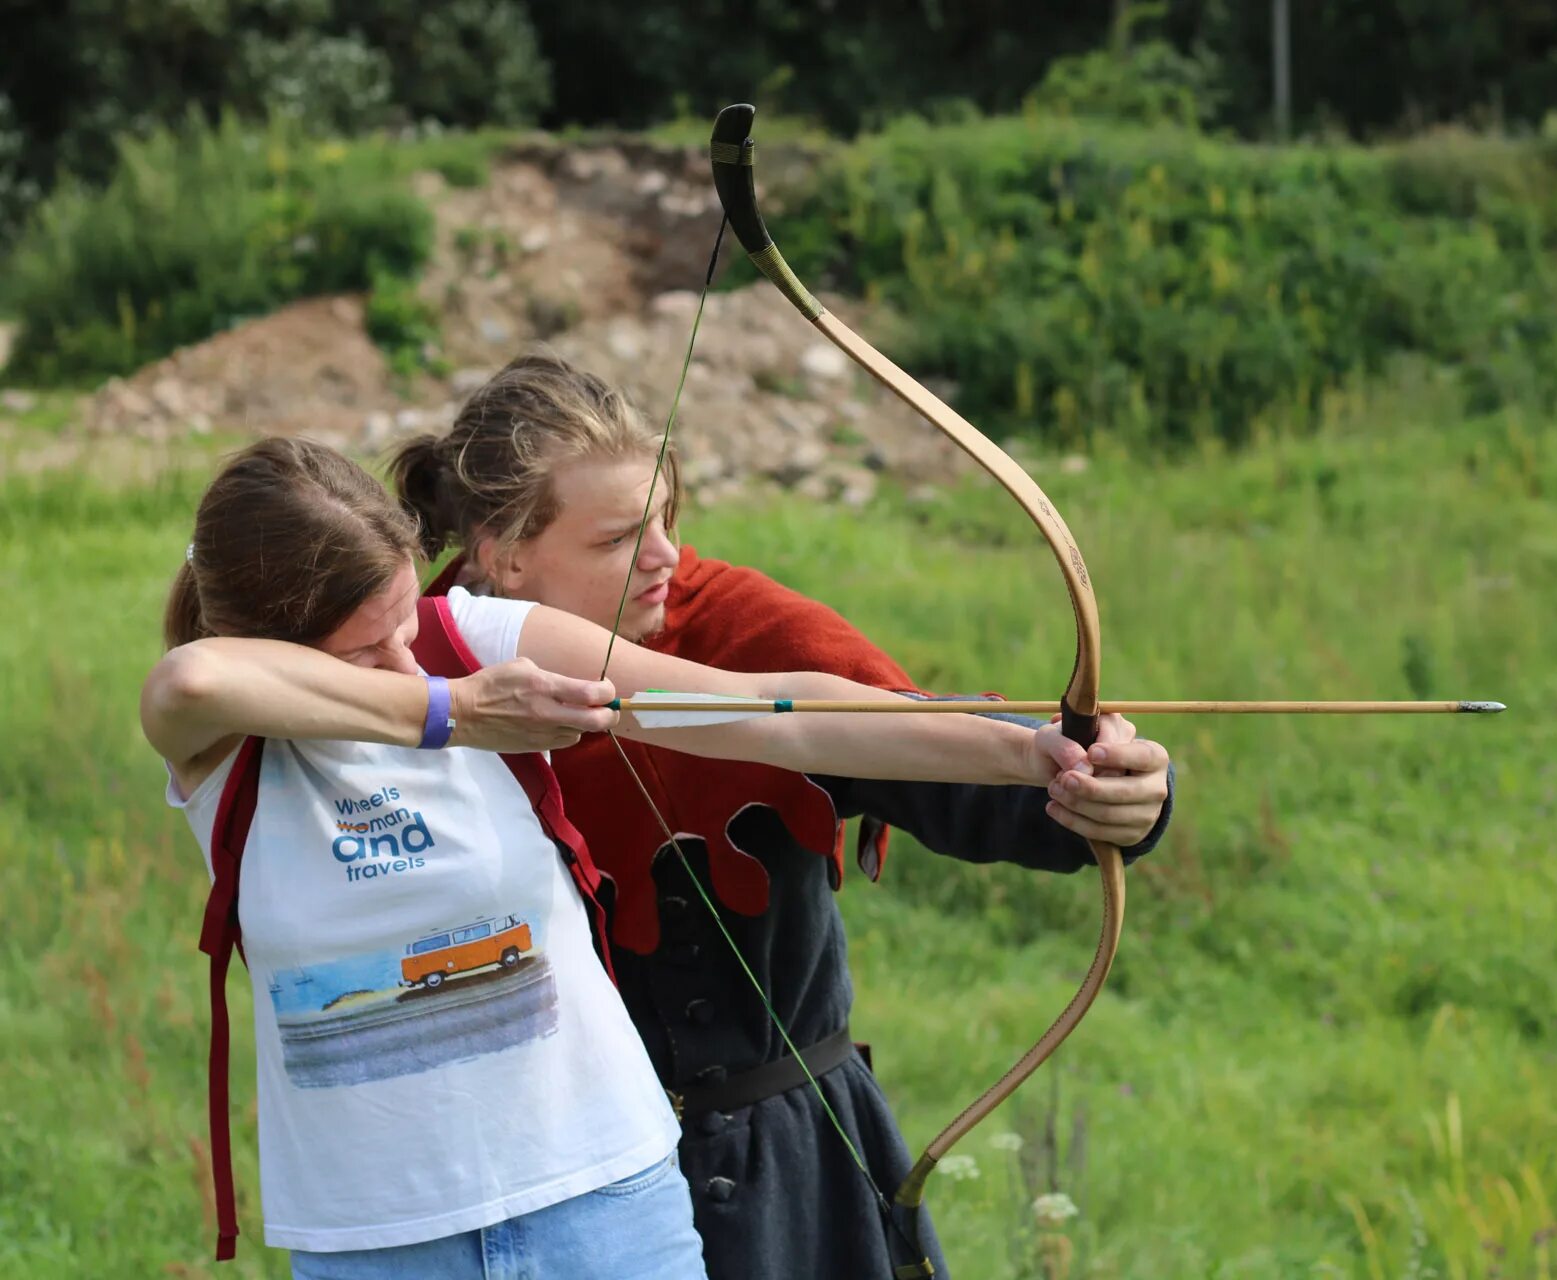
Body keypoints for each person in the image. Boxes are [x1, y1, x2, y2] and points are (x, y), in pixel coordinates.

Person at [143, 437, 1106, 1279]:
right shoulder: (221, 735)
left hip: (599, 1201)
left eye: (405, 627)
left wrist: (1024, 753)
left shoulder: (468, 638)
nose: (407, 660)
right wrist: (456, 715)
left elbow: (772, 717)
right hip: (379, 1237)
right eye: (364, 653)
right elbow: (194, 674)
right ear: (266, 639)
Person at [391, 353, 1176, 1279]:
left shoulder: (740, 631)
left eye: (666, 521)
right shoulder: (409, 679)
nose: (664, 558)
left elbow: (919, 747)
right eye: (616, 540)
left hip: (795, 1180)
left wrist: (1101, 790)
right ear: (502, 552)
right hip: (549, 1182)